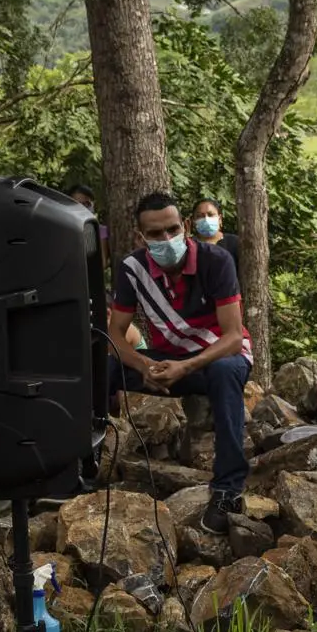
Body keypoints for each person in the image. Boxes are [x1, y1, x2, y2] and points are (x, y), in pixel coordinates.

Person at [106, 190, 253, 534]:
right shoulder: (133, 268)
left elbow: (233, 336)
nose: (166, 239)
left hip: (217, 356)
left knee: (224, 370)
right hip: (168, 361)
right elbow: (115, 334)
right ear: (140, 236)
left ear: (186, 226)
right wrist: (144, 366)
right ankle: (85, 464)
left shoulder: (216, 261)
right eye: (155, 234)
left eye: (172, 230)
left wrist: (185, 367)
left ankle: (227, 489)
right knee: (103, 367)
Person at [190, 197, 241, 271]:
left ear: (220, 219)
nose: (206, 219)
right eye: (200, 216)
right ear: (193, 221)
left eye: (210, 215)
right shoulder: (189, 246)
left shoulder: (235, 242)